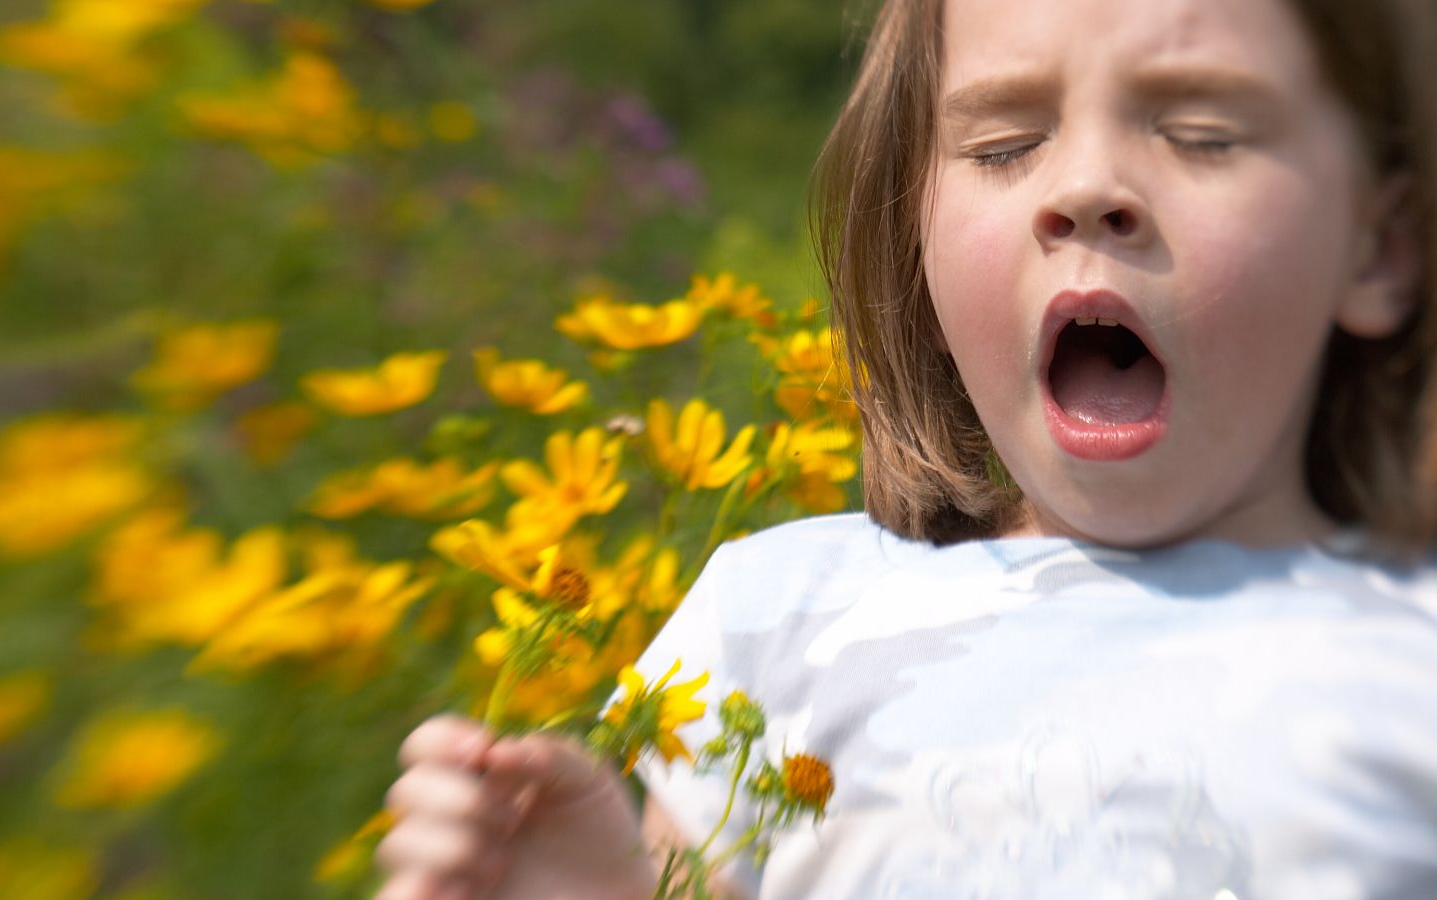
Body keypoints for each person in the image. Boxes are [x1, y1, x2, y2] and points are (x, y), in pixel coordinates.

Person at [373, 0, 1437, 895]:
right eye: (1003, 146)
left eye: (1202, 132)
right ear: (912, 224)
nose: (1082, 191)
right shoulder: (782, 617)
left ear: (1378, 244)